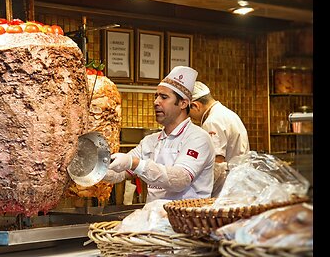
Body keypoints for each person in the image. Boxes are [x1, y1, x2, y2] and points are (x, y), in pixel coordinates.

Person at [103, 66, 215, 203]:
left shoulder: (198, 138)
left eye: (164, 97)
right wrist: (93, 169)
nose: (156, 102)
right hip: (154, 219)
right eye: (156, 96)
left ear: (183, 103)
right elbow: (118, 173)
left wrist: (134, 163)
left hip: (188, 220)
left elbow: (180, 179)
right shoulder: (150, 141)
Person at [188, 81, 250, 196]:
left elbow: (217, 164)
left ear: (195, 105)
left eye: (188, 113)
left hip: (226, 190)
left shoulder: (212, 122)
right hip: (239, 185)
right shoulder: (228, 114)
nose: (191, 118)